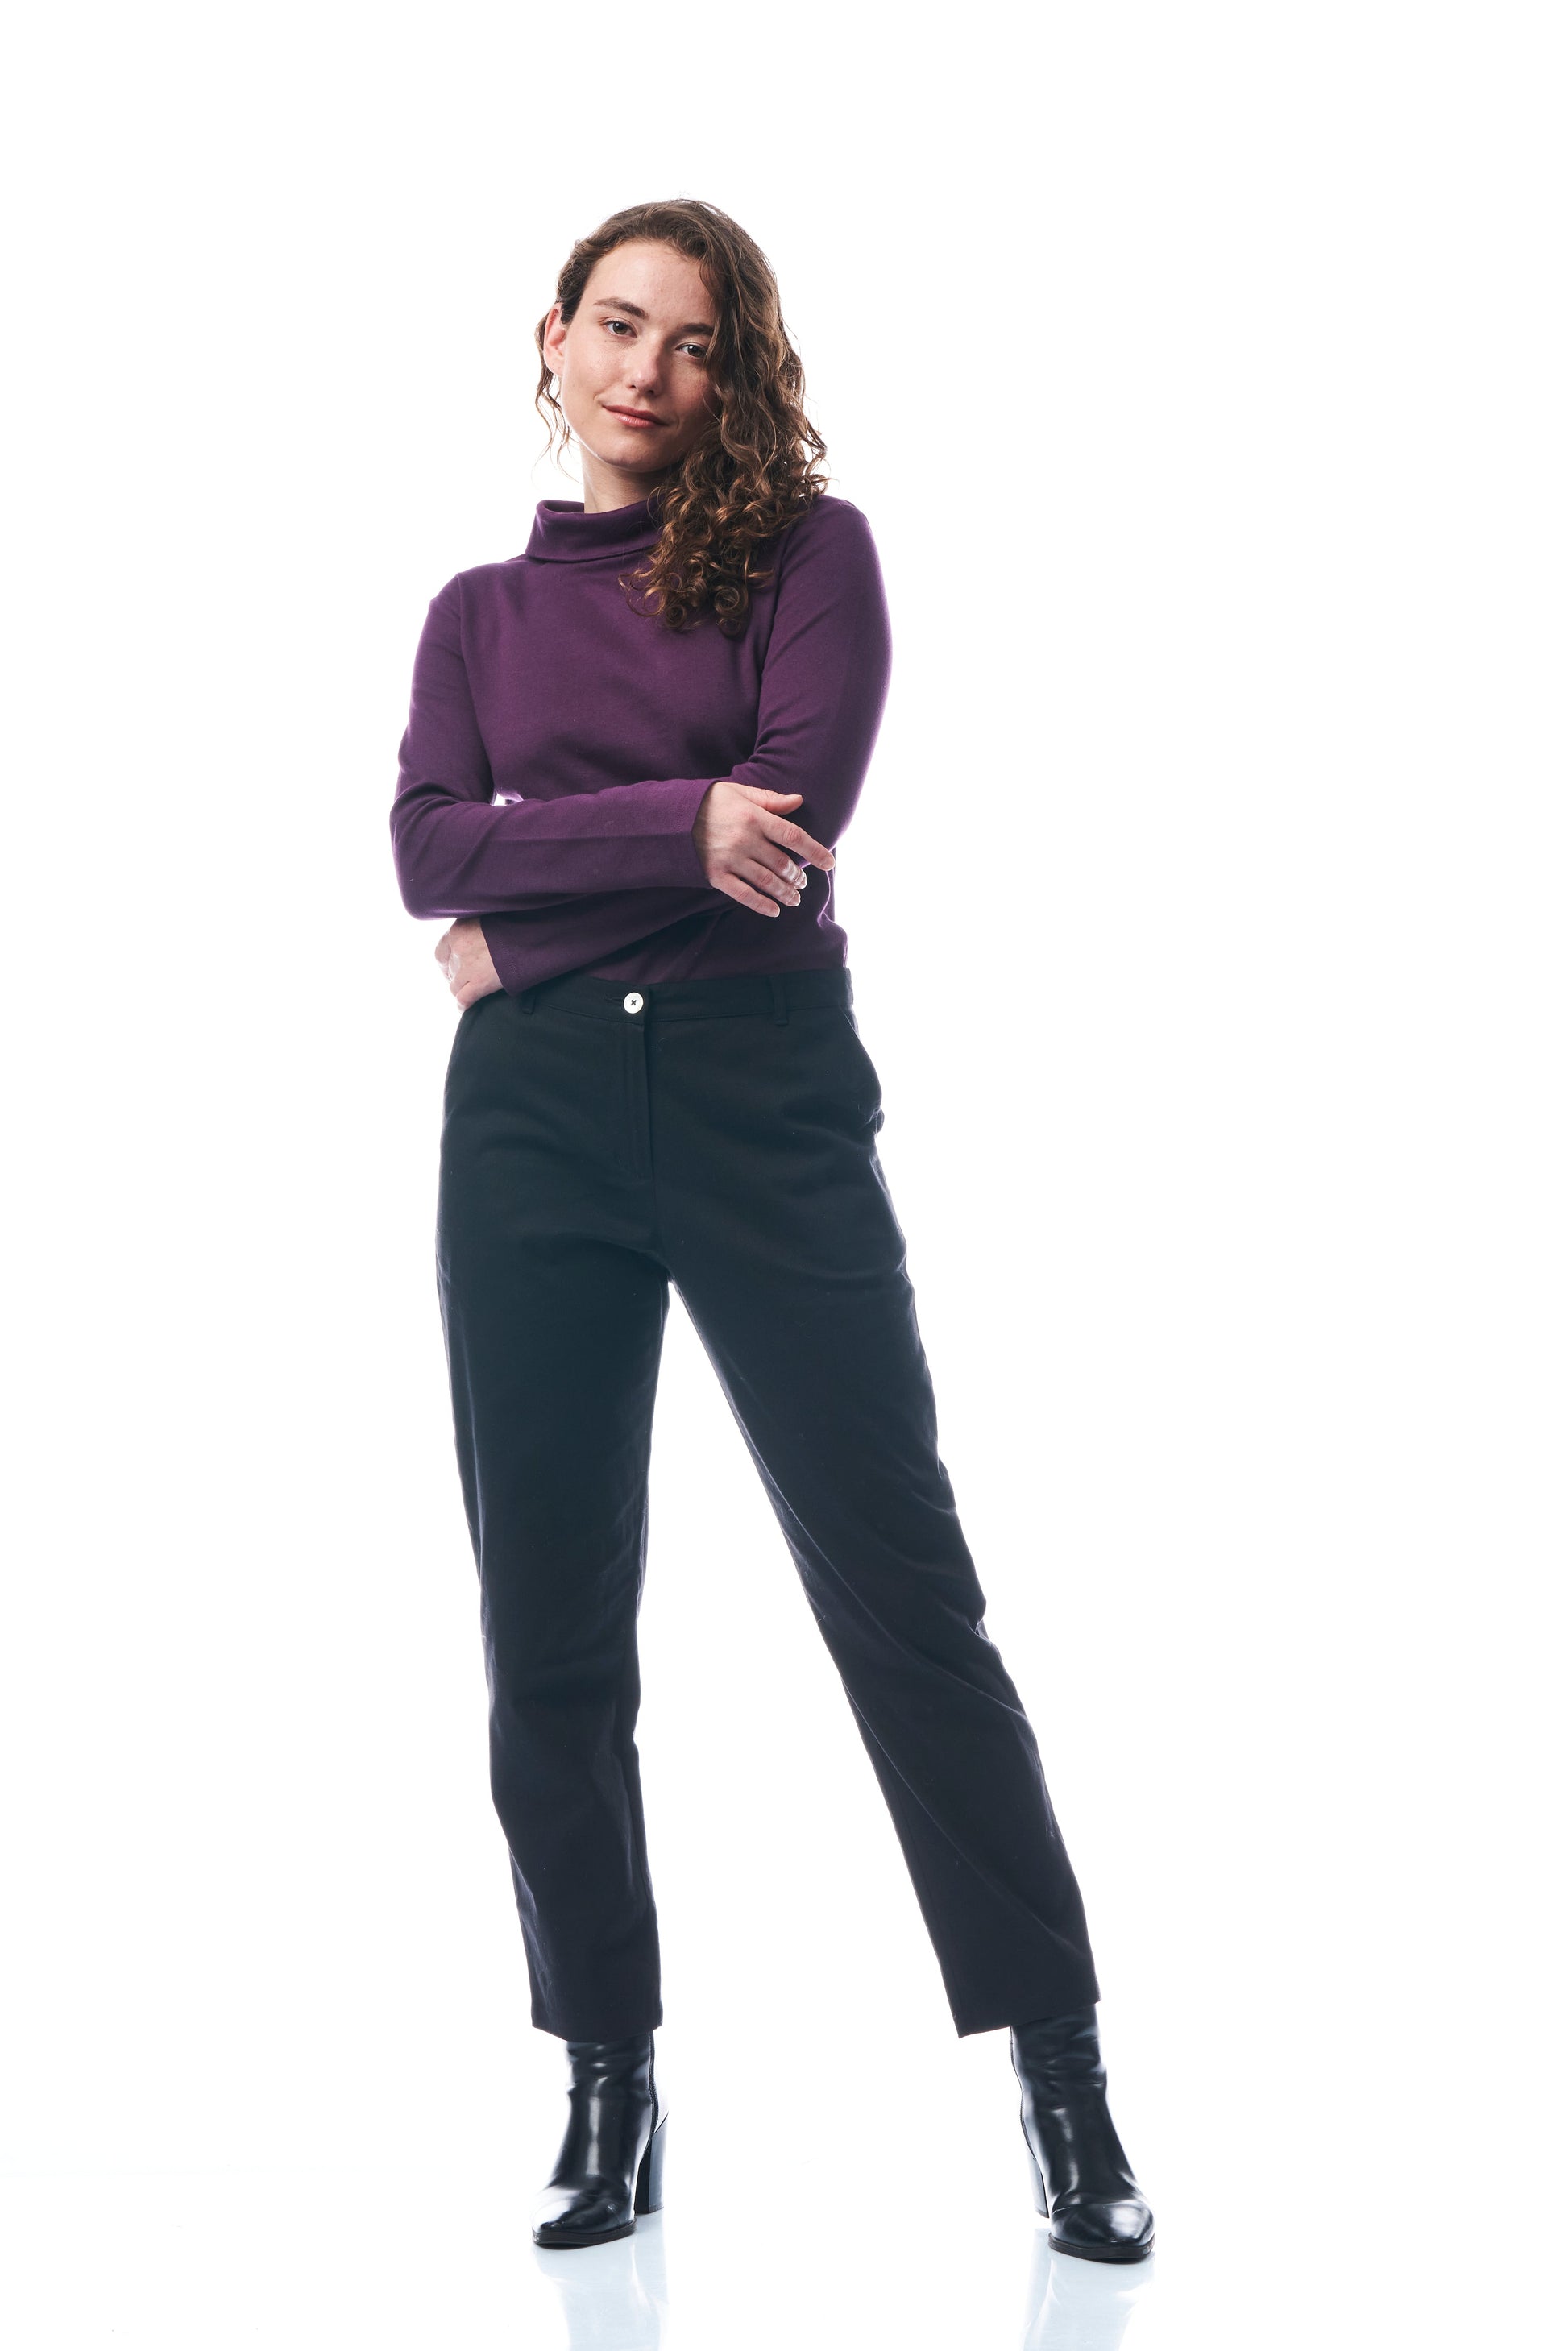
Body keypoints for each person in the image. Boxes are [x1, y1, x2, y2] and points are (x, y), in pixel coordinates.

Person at [389, 197, 1153, 2264]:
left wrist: (522, 919)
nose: (648, 368)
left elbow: (785, 829)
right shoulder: (474, 613)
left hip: (761, 1103)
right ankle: (607, 2081)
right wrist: (668, 825)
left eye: (695, 340)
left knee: (901, 1587)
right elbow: (424, 852)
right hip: (532, 1132)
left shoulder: (810, 557)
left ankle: (1065, 2075)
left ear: (737, 372)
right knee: (549, 1625)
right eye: (616, 324)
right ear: (550, 340)